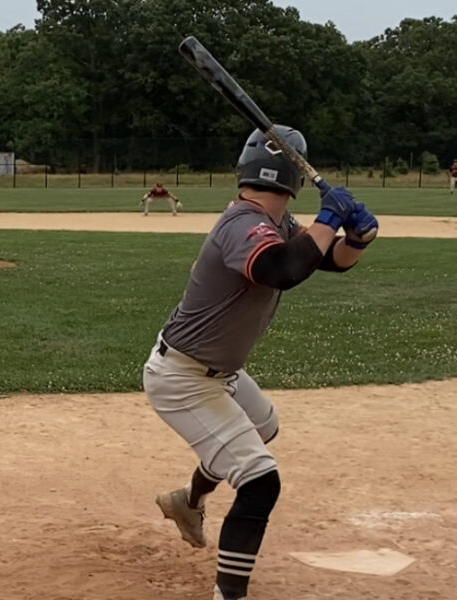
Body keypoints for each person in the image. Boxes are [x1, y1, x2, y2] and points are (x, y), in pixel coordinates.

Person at [142, 126, 379, 600]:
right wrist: (330, 214)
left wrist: (356, 237)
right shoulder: (243, 224)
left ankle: (188, 502)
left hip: (219, 372)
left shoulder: (279, 224)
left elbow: (322, 258)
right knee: (260, 480)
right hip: (183, 378)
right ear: (295, 174)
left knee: (264, 429)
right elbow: (280, 270)